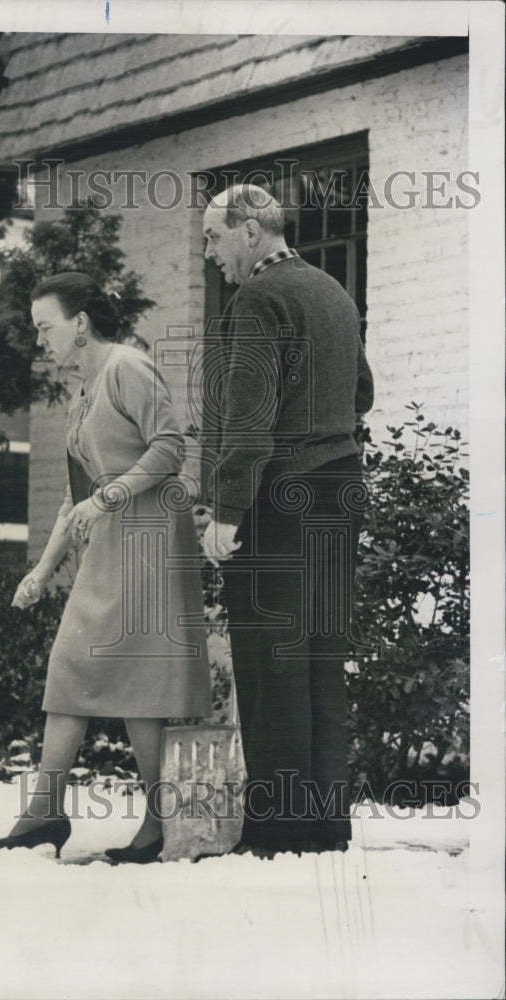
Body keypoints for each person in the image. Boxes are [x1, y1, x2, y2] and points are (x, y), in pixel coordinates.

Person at [0, 271, 212, 863]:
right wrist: (42, 569)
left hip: (152, 539)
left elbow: (169, 447)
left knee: (141, 687)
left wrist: (106, 499)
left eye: (45, 327)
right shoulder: (81, 394)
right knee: (71, 666)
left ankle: (160, 827)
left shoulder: (126, 368)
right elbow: (73, 495)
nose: (40, 341)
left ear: (80, 324)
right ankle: (43, 815)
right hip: (110, 543)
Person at [200, 184, 374, 856]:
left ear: (248, 231)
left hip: (283, 497)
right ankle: (325, 829)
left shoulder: (259, 299)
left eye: (214, 238)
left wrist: (226, 510)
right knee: (321, 659)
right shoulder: (332, 291)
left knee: (270, 660)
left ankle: (276, 834)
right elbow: (361, 391)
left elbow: (247, 425)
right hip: (340, 488)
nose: (210, 255)